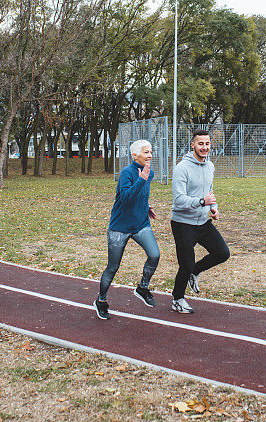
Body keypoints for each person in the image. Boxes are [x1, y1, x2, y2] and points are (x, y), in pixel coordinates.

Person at [94, 139, 160, 320]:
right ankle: (101, 301)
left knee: (154, 255)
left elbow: (140, 195)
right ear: (135, 155)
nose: (150, 155)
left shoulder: (149, 173)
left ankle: (142, 288)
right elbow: (126, 198)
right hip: (120, 228)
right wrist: (141, 179)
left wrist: (146, 207)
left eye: (151, 151)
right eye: (146, 152)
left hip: (140, 224)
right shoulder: (127, 173)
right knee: (113, 267)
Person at [170, 129, 230, 313]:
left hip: (203, 222)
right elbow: (179, 200)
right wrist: (202, 202)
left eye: (207, 144)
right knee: (185, 264)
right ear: (193, 145)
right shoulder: (182, 168)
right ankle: (177, 299)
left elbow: (209, 192)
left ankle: (194, 272)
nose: (204, 147)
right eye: (200, 144)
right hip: (183, 223)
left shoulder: (210, 166)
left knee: (222, 252)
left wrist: (214, 207)